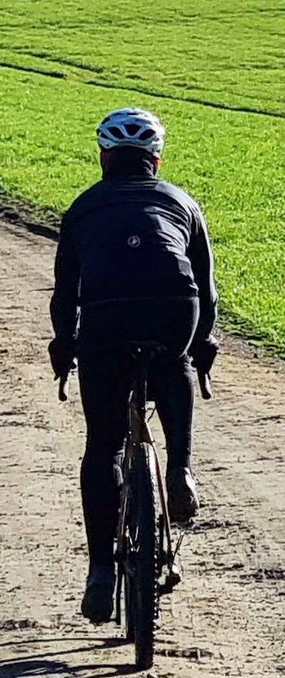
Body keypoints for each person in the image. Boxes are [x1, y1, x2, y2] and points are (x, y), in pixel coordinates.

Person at [49, 108, 218, 623]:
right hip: (174, 309)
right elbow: (207, 291)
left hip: (106, 316)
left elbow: (65, 293)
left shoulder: (83, 206)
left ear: (104, 158)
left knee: (103, 443)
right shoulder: (182, 202)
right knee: (175, 362)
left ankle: (101, 571)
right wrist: (203, 344)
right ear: (156, 160)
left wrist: (65, 344)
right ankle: (180, 468)